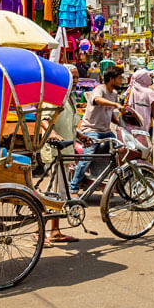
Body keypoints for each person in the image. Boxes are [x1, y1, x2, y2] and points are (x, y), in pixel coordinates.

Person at [46, 65, 89, 246]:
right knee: (54, 194)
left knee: (60, 194)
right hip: (56, 151)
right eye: (73, 77)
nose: (76, 81)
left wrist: (80, 136)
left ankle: (54, 230)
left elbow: (70, 123)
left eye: (78, 77)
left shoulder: (68, 97)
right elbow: (44, 118)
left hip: (66, 151)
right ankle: (41, 230)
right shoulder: (55, 94)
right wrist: (51, 134)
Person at [70, 67, 124, 193]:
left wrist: (121, 124)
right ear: (111, 79)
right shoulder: (99, 90)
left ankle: (114, 182)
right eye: (119, 78)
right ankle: (74, 188)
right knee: (87, 157)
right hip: (91, 130)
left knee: (121, 150)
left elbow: (110, 115)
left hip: (106, 131)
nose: (122, 81)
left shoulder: (114, 94)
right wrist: (115, 104)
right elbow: (97, 100)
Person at [127, 69, 154, 142]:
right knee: (147, 148)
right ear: (143, 79)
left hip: (131, 127)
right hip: (147, 126)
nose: (150, 78)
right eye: (148, 76)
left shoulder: (129, 91)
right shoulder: (149, 92)